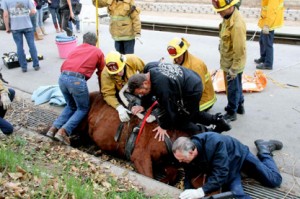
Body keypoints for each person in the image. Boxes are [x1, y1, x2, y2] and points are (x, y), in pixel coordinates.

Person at [128, 62, 231, 142]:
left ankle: (209, 133)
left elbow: (170, 112)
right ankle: (219, 121)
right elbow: (148, 92)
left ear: (145, 82)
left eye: (142, 92)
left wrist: (164, 126)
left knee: (181, 121)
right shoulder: (149, 69)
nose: (143, 94)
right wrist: (143, 105)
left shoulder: (162, 87)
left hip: (192, 89)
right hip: (189, 77)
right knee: (192, 113)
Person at [172, 132, 283, 199]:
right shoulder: (187, 153)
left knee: (274, 180)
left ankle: (264, 150)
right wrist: (187, 191)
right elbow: (188, 173)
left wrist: (200, 191)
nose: (180, 162)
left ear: (192, 152)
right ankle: (241, 175)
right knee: (236, 194)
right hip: (226, 167)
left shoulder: (215, 144)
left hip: (239, 157)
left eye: (182, 159)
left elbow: (220, 173)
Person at [46, 32, 105, 145]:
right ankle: (63, 132)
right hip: (77, 80)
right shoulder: (97, 51)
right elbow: (102, 72)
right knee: (82, 108)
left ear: (83, 41)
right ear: (95, 42)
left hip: (62, 77)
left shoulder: (76, 48)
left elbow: (65, 64)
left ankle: (53, 129)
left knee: (71, 105)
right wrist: (103, 90)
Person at [212, 0, 246, 121]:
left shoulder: (237, 25)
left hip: (233, 64)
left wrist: (234, 69)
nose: (219, 13)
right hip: (229, 60)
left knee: (232, 88)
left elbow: (239, 49)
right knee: (237, 85)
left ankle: (232, 112)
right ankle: (240, 106)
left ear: (230, 7)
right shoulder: (228, 16)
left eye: (221, 10)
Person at [167, 37, 216, 111]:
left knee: (183, 114)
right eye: (174, 58)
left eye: (178, 57)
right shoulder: (178, 60)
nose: (176, 60)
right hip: (191, 93)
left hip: (204, 100)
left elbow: (199, 90)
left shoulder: (196, 66)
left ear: (184, 53)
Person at [101, 51, 145, 122]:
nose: (118, 73)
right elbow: (108, 94)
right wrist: (118, 107)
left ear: (123, 63)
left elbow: (145, 71)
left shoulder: (132, 59)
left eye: (120, 70)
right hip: (124, 92)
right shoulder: (106, 74)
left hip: (136, 84)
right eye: (115, 73)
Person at [2, 0, 40, 73]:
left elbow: (5, 15)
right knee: (32, 45)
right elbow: (33, 11)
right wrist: (26, 16)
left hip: (15, 27)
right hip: (28, 26)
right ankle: (36, 65)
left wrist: (7, 27)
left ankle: (24, 67)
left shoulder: (5, 1)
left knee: (19, 47)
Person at [255, 0, 284, 70]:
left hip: (269, 23)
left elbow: (272, 11)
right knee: (262, 40)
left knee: (267, 43)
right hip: (266, 20)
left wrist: (267, 25)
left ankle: (268, 64)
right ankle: (263, 57)